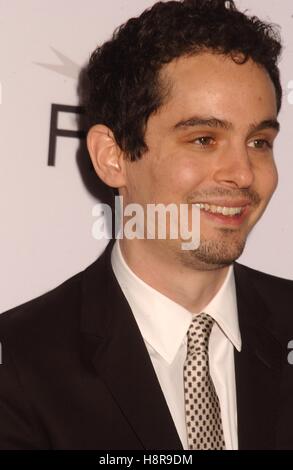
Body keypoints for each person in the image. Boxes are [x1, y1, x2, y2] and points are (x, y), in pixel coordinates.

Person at [0, 0, 292, 451]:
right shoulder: (19, 364)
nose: (243, 173)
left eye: (258, 141)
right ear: (113, 157)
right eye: (203, 139)